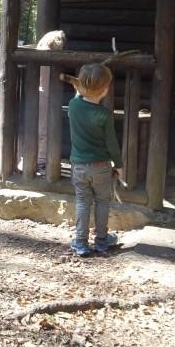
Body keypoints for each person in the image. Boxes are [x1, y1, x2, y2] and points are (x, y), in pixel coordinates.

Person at [62, 63, 122, 257]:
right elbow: (112, 144)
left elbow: (78, 98)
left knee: (82, 202)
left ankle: (80, 242)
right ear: (105, 90)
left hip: (79, 167)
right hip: (101, 167)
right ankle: (102, 241)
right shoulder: (104, 115)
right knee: (103, 202)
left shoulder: (73, 105)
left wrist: (79, 91)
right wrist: (119, 165)